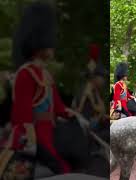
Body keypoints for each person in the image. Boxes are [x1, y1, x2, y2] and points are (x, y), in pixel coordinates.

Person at [9, 1, 74, 174]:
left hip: (49, 134)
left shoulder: (44, 74)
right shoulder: (26, 74)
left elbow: (58, 106)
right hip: (32, 139)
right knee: (62, 170)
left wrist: (72, 115)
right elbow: (22, 114)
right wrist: (31, 142)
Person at [72, 44, 105, 129]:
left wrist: (92, 100)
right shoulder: (86, 87)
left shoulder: (96, 91)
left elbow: (101, 110)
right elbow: (78, 109)